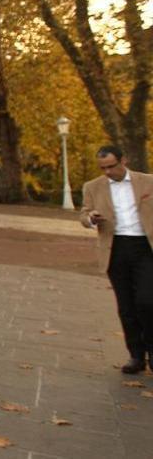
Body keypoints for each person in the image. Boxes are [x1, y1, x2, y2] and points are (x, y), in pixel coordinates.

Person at [81, 145, 153, 374]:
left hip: (145, 246)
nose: (108, 172)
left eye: (111, 166)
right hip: (115, 248)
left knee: (147, 301)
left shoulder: (148, 181)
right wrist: (91, 218)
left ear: (124, 160)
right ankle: (136, 356)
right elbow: (84, 214)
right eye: (103, 168)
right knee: (126, 306)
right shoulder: (93, 187)